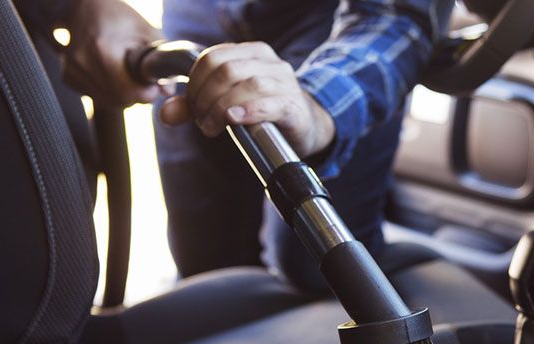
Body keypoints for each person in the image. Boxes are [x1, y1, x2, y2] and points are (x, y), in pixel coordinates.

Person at [40, 0, 451, 291]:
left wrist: (316, 108)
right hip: (195, 11)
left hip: (330, 17)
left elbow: (397, 16)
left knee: (313, 267)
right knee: (204, 262)